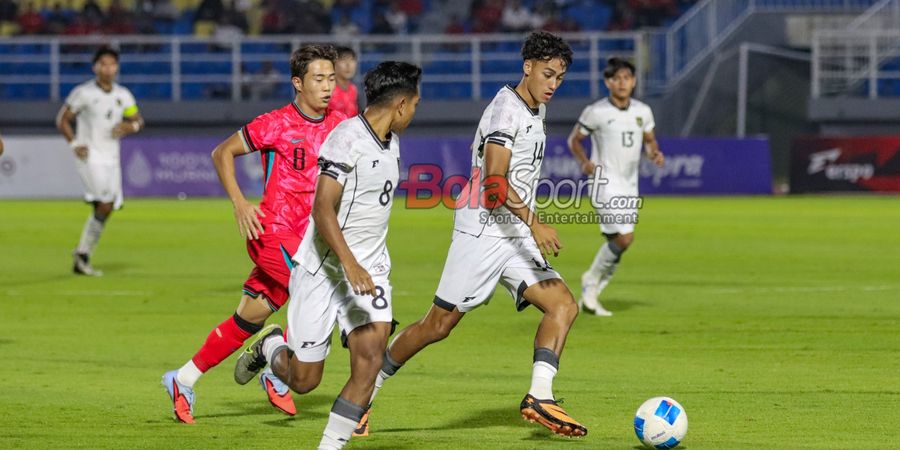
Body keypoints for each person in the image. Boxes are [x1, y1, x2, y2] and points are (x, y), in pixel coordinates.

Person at [366, 31, 587, 438]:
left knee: (563, 305)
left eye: (560, 77)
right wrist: (535, 222)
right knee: (438, 326)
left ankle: (540, 395)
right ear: (528, 67)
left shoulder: (535, 108)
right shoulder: (507, 110)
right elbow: (493, 183)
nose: (554, 83)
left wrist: (526, 225)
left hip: (511, 232)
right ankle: (366, 388)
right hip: (482, 230)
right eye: (548, 73)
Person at [233, 61, 422, 450]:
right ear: (401, 104)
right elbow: (322, 209)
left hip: (371, 273)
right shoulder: (346, 137)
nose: (415, 113)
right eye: (415, 105)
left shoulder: (392, 140)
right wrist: (349, 264)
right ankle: (270, 345)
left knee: (369, 362)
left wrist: (363, 265)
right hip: (323, 270)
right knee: (305, 381)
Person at [161, 44, 345, 424]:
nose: (327, 86)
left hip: (312, 238)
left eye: (331, 78)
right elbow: (221, 153)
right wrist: (240, 203)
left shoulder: (339, 125)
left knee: (248, 318)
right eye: (318, 79)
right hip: (271, 231)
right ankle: (279, 358)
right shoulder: (275, 124)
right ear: (298, 83)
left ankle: (183, 378)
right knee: (317, 293)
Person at [567, 57, 664, 317]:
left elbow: (650, 140)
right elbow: (574, 140)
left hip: (629, 184)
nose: (622, 83)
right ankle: (590, 281)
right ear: (608, 82)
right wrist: (585, 162)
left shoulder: (643, 112)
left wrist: (654, 153)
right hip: (603, 181)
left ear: (633, 82)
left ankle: (592, 294)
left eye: (627, 78)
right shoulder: (596, 112)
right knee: (624, 238)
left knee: (618, 242)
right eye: (617, 78)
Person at [56, 46, 144, 277]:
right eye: (103, 64)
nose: (107, 68)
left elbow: (138, 120)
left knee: (107, 207)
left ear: (117, 67)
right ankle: (82, 254)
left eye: (112, 64)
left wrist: (130, 126)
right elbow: (62, 120)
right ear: (95, 67)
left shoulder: (123, 95)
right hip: (90, 156)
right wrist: (75, 144)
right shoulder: (83, 93)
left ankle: (82, 255)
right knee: (104, 203)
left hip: (112, 158)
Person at [329, 46, 359, 117]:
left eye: (351, 60)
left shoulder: (354, 89)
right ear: (334, 64)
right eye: (343, 60)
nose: (348, 65)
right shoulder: (328, 89)